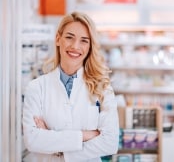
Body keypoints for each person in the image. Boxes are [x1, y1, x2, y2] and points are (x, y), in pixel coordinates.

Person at [22, 11, 119, 162]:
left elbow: (110, 142)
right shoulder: (36, 87)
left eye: (84, 41)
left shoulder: (103, 88)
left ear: (90, 46)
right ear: (58, 39)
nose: (75, 46)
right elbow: (32, 140)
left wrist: (60, 152)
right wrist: (86, 135)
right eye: (69, 37)